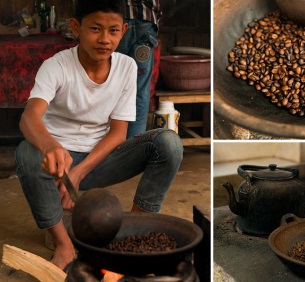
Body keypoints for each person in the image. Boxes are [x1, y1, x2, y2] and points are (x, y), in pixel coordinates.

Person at [15, 0, 183, 270]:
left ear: (124, 30)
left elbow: (119, 133)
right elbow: (29, 117)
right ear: (76, 28)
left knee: (168, 143)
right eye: (95, 29)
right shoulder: (56, 66)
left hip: (99, 161)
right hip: (58, 165)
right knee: (25, 152)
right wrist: (49, 147)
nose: (105, 39)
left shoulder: (127, 67)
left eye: (113, 31)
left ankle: (133, 231)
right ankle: (63, 243)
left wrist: (79, 172)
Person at [116, 0, 162, 138]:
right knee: (140, 91)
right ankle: (134, 151)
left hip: (115, 17)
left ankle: (110, 151)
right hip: (145, 19)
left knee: (111, 85)